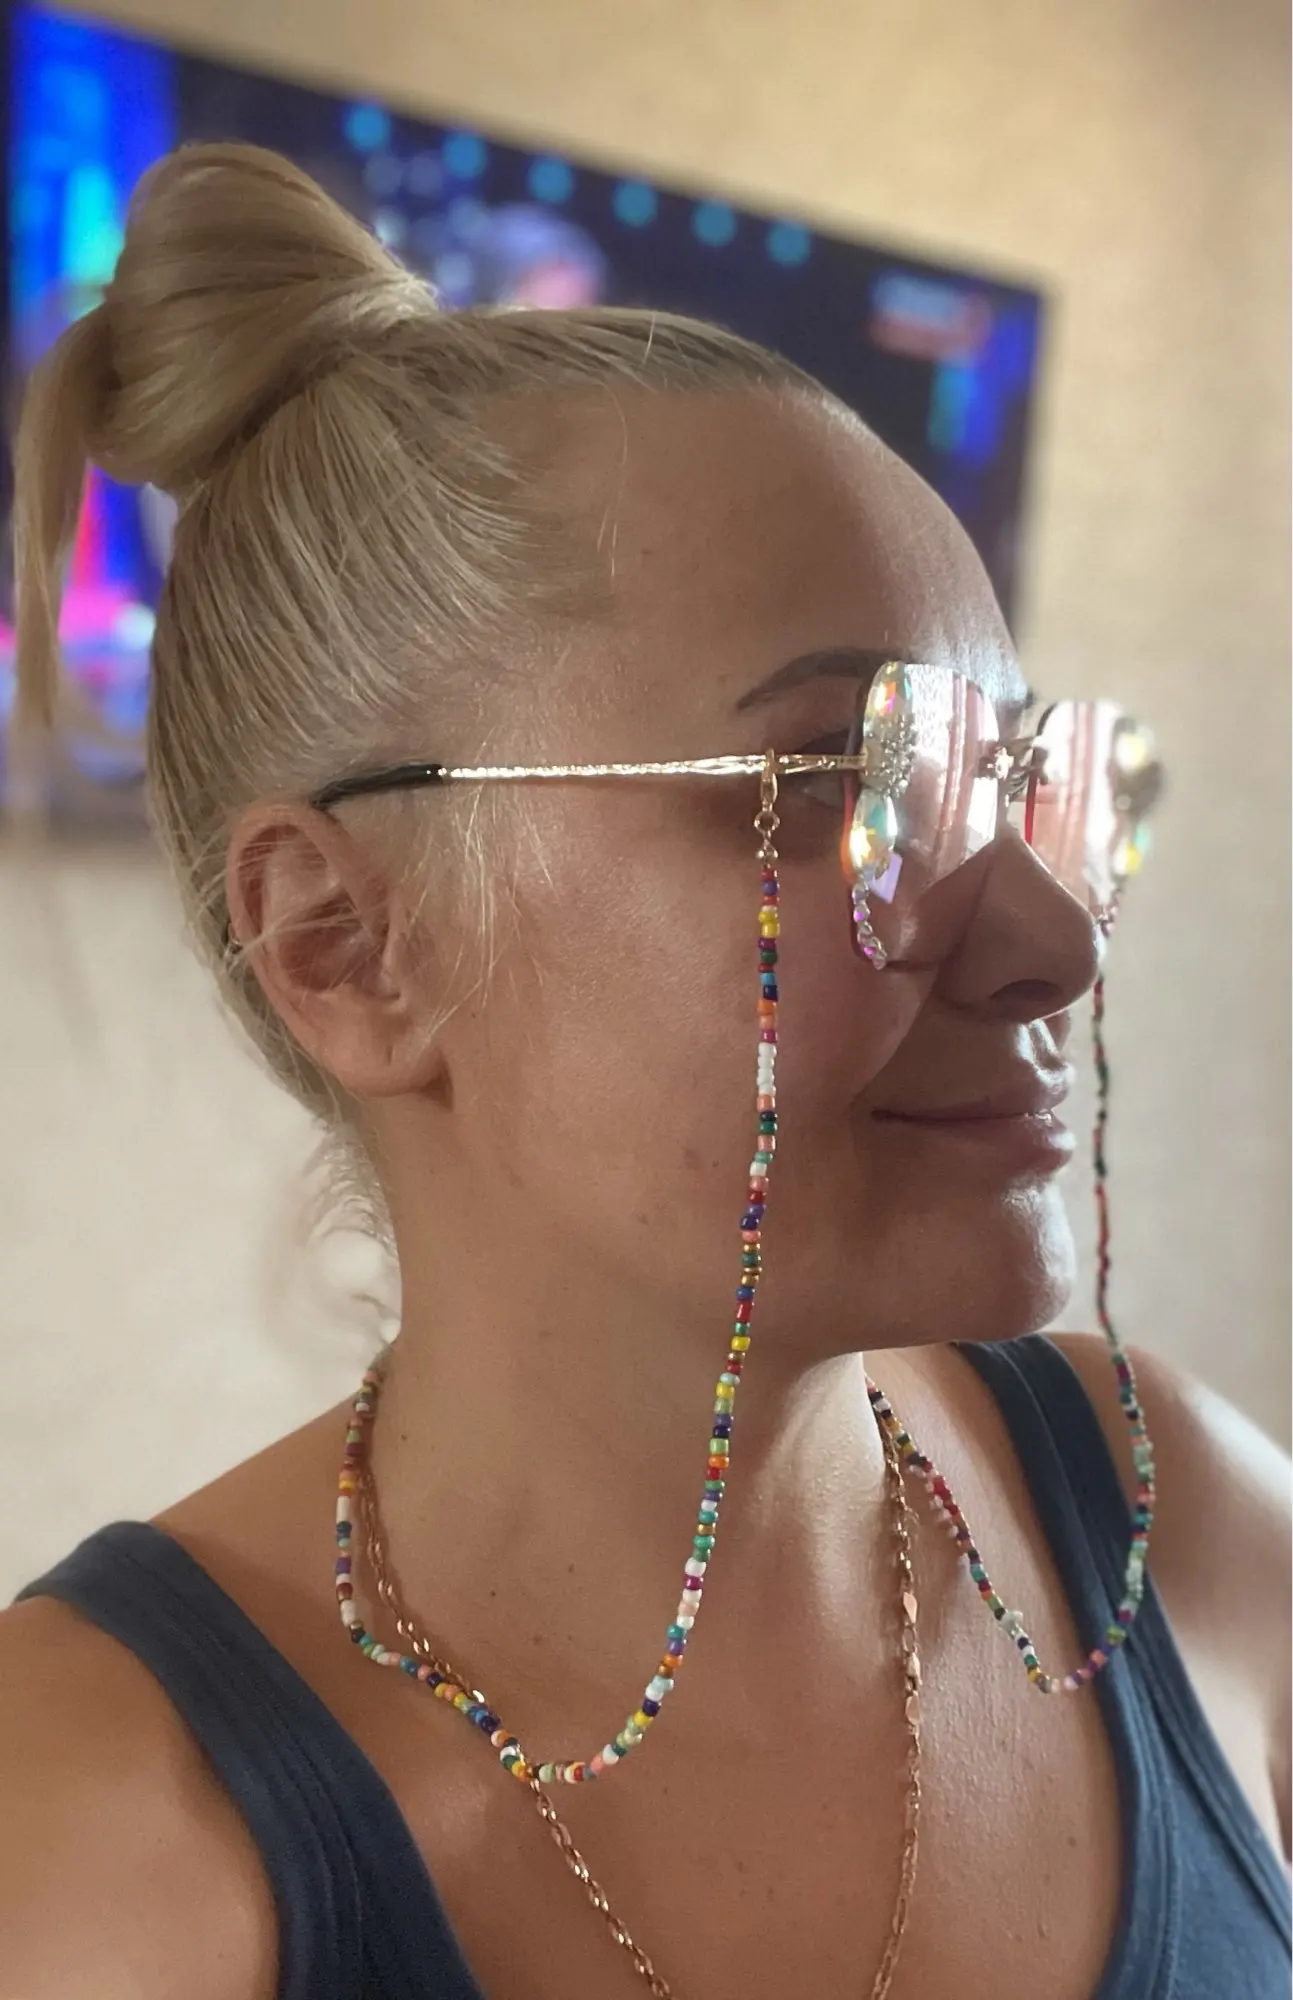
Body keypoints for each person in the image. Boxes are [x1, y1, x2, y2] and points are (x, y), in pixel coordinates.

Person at [2, 143, 1288, 2000]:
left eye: (1014, 784)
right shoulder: (94, 1853)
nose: (1057, 943)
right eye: (845, 783)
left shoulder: (1186, 1535)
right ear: (348, 947)